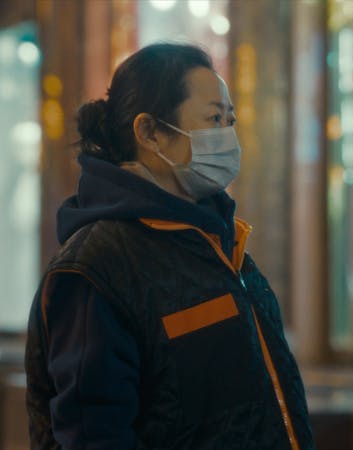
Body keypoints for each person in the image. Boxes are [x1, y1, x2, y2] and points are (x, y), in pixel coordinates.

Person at [25, 43, 314, 449]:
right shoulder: (95, 267)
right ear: (149, 132)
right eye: (214, 119)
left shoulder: (218, 243)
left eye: (230, 120)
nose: (228, 136)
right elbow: (94, 434)